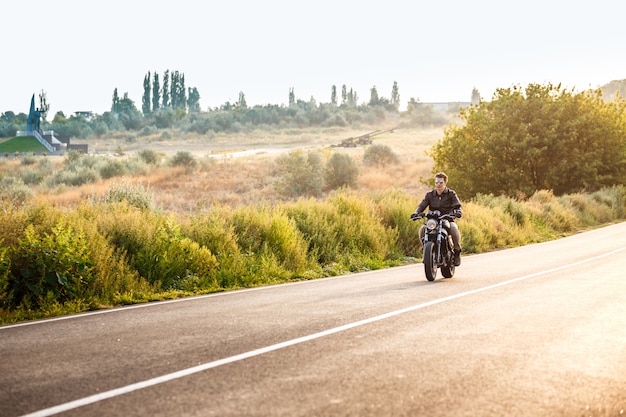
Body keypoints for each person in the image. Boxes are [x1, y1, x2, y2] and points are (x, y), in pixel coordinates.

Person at [412, 172, 463, 266]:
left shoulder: (451, 194)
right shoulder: (430, 195)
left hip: (447, 219)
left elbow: (457, 205)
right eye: (436, 182)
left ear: (445, 183)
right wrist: (416, 213)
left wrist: (458, 212)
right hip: (433, 221)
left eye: (440, 182)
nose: (438, 184)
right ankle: (426, 252)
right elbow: (422, 205)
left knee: (454, 229)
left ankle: (457, 251)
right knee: (422, 230)